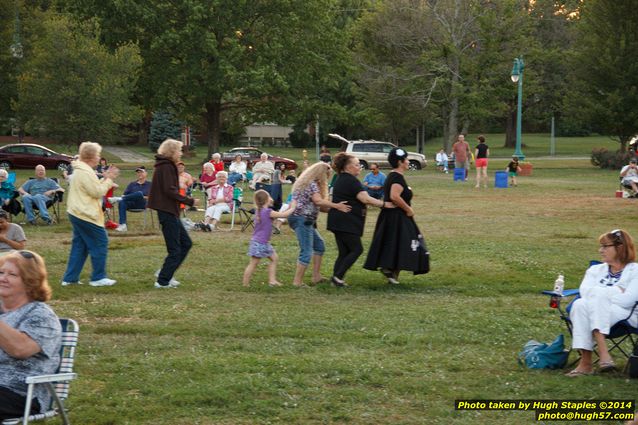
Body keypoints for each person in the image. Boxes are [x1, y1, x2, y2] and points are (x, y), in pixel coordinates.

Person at [566, 229, 638, 377]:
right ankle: (600, 357)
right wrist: (617, 290)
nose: (601, 250)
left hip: (626, 314)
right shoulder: (595, 270)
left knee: (593, 298)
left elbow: (627, 300)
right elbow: (585, 293)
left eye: (605, 246)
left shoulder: (635, 271)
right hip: (599, 312)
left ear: (620, 247)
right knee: (580, 304)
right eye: (601, 246)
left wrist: (601, 294)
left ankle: (587, 363)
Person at [0, 250, 61, 420]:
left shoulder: (41, 316)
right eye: (1, 272)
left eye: (12, 274)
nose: (3, 278)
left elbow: (20, 349)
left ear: (29, 283)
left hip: (20, 393)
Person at [364, 148, 429, 284]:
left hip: (394, 215)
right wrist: (408, 208)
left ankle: (392, 275)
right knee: (403, 242)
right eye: (405, 159)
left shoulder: (394, 176)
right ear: (400, 162)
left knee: (397, 243)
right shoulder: (396, 177)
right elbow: (394, 196)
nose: (408, 161)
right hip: (396, 216)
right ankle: (388, 269)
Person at [62, 142, 119, 287]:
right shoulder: (85, 171)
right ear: (91, 157)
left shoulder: (81, 170)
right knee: (101, 242)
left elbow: (91, 188)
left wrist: (104, 179)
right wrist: (110, 180)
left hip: (77, 212)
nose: (99, 158)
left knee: (80, 246)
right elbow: (97, 192)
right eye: (98, 155)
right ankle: (98, 277)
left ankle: (70, 279)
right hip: (85, 214)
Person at [288, 162, 351, 287]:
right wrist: (336, 205)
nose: (328, 177)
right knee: (307, 251)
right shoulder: (311, 184)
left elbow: (321, 207)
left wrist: (336, 209)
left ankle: (316, 276)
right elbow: (318, 201)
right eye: (327, 175)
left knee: (319, 246)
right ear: (322, 174)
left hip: (304, 219)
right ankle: (297, 282)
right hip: (302, 219)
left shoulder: (308, 183)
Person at [147, 139, 198, 289]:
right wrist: (189, 201)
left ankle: (165, 273)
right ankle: (163, 281)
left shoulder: (165, 166)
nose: (181, 153)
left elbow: (169, 189)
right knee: (175, 249)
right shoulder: (166, 167)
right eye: (179, 150)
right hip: (167, 211)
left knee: (186, 244)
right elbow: (169, 190)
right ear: (172, 152)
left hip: (170, 211)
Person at [328, 153, 384, 287]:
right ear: (347, 167)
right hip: (346, 222)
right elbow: (365, 198)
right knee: (356, 249)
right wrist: (384, 204)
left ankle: (336, 279)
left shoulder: (341, 178)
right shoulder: (351, 180)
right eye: (357, 165)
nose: (360, 167)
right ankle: (338, 277)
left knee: (344, 252)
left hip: (338, 221)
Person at [242, 190, 297, 287]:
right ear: (267, 200)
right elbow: (284, 215)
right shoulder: (268, 212)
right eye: (269, 196)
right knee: (254, 263)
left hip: (262, 242)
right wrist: (292, 207)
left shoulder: (259, 211)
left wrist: (288, 207)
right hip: (260, 243)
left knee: (274, 258)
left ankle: (272, 281)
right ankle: (245, 284)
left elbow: (280, 213)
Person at [107, 166, 152, 232]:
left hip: (142, 204)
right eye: (138, 172)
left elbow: (152, 197)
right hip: (131, 203)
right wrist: (127, 197)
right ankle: (123, 225)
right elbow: (124, 195)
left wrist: (140, 196)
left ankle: (118, 198)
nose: (139, 174)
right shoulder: (132, 184)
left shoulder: (150, 184)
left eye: (141, 172)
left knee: (139, 194)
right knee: (122, 202)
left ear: (146, 173)